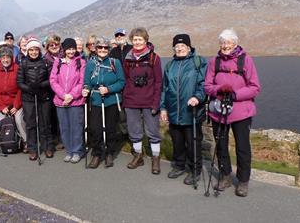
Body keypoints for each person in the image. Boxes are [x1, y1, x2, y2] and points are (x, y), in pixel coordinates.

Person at [204, 29, 261, 197]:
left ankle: (243, 181)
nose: (225, 46)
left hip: (241, 111)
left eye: (228, 42)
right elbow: (207, 86)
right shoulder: (213, 61)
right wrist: (219, 90)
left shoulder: (246, 60)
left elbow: (255, 87)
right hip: (218, 111)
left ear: (235, 44)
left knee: (242, 147)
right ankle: (225, 175)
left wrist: (235, 94)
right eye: (222, 42)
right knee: (220, 145)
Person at [160, 34, 207, 184]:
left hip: (191, 112)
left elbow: (203, 84)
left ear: (189, 47)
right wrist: (163, 108)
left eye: (182, 46)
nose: (179, 48)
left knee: (193, 143)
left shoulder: (198, 62)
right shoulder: (169, 66)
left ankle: (195, 170)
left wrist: (198, 97)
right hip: (174, 112)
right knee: (177, 142)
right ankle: (179, 165)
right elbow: (164, 89)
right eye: (177, 46)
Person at [122, 28, 163, 174]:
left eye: (140, 39)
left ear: (146, 41)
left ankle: (156, 158)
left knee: (153, 131)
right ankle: (138, 156)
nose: (137, 42)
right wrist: (126, 98)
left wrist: (156, 102)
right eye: (135, 39)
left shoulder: (154, 58)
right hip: (131, 100)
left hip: (149, 100)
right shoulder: (127, 58)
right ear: (132, 41)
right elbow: (126, 79)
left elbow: (159, 82)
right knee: (134, 130)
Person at [82, 37, 125, 168]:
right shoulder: (90, 63)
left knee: (111, 128)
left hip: (111, 100)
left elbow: (122, 82)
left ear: (109, 49)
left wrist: (109, 89)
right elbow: (87, 82)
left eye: (105, 48)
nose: (102, 50)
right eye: (100, 47)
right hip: (95, 100)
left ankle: (109, 153)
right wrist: (86, 89)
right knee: (95, 128)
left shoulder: (115, 63)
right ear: (95, 49)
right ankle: (96, 153)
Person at [17, 36, 55, 160]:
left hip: (44, 97)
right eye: (31, 50)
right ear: (27, 51)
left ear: (39, 50)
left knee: (45, 123)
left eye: (36, 50)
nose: (34, 52)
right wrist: (29, 88)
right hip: (28, 98)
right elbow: (19, 82)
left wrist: (40, 86)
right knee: (31, 124)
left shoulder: (45, 62)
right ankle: (32, 149)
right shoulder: (23, 63)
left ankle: (48, 147)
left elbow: (51, 80)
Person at [49, 38, 86, 163]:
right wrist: (63, 95)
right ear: (64, 50)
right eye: (68, 49)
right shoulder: (58, 62)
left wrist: (71, 96)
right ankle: (69, 150)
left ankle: (77, 151)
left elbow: (82, 82)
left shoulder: (81, 62)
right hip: (60, 101)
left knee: (76, 127)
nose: (71, 51)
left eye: (73, 48)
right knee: (64, 127)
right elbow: (53, 81)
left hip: (76, 101)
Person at [0, 45, 27, 152]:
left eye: (8, 57)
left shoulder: (17, 69)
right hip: (2, 103)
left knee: (19, 120)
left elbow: (20, 89)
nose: (5, 60)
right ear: (0, 59)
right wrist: (1, 107)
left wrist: (16, 106)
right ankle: (5, 141)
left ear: (11, 58)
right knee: (2, 122)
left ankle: (26, 141)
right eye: (3, 58)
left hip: (16, 102)